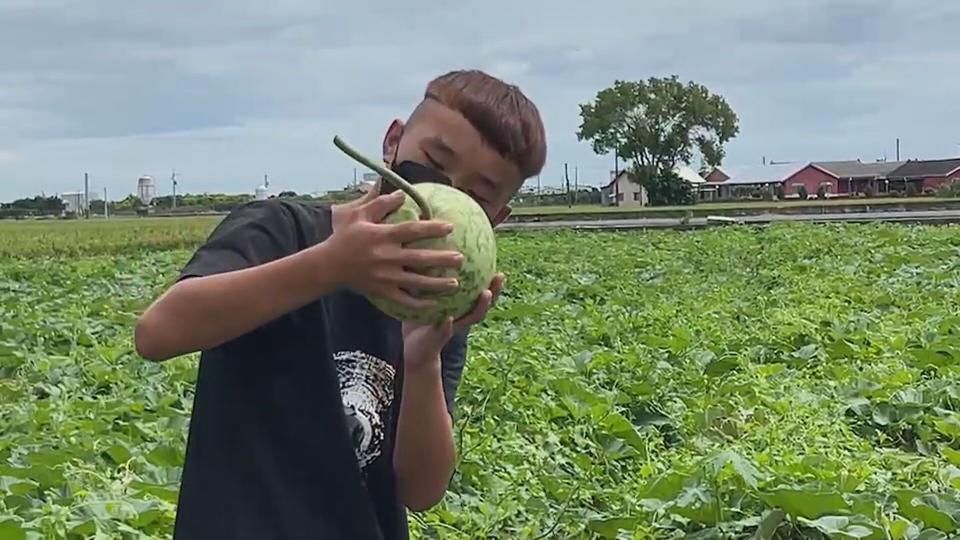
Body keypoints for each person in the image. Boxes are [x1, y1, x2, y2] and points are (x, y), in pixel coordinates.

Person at [134, 69, 547, 540]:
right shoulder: (280, 229)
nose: (442, 196)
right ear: (392, 142)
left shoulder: (437, 298)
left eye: (474, 196)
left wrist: (422, 359)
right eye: (434, 160)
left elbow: (421, 490)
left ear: (495, 218)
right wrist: (330, 266)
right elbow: (157, 333)